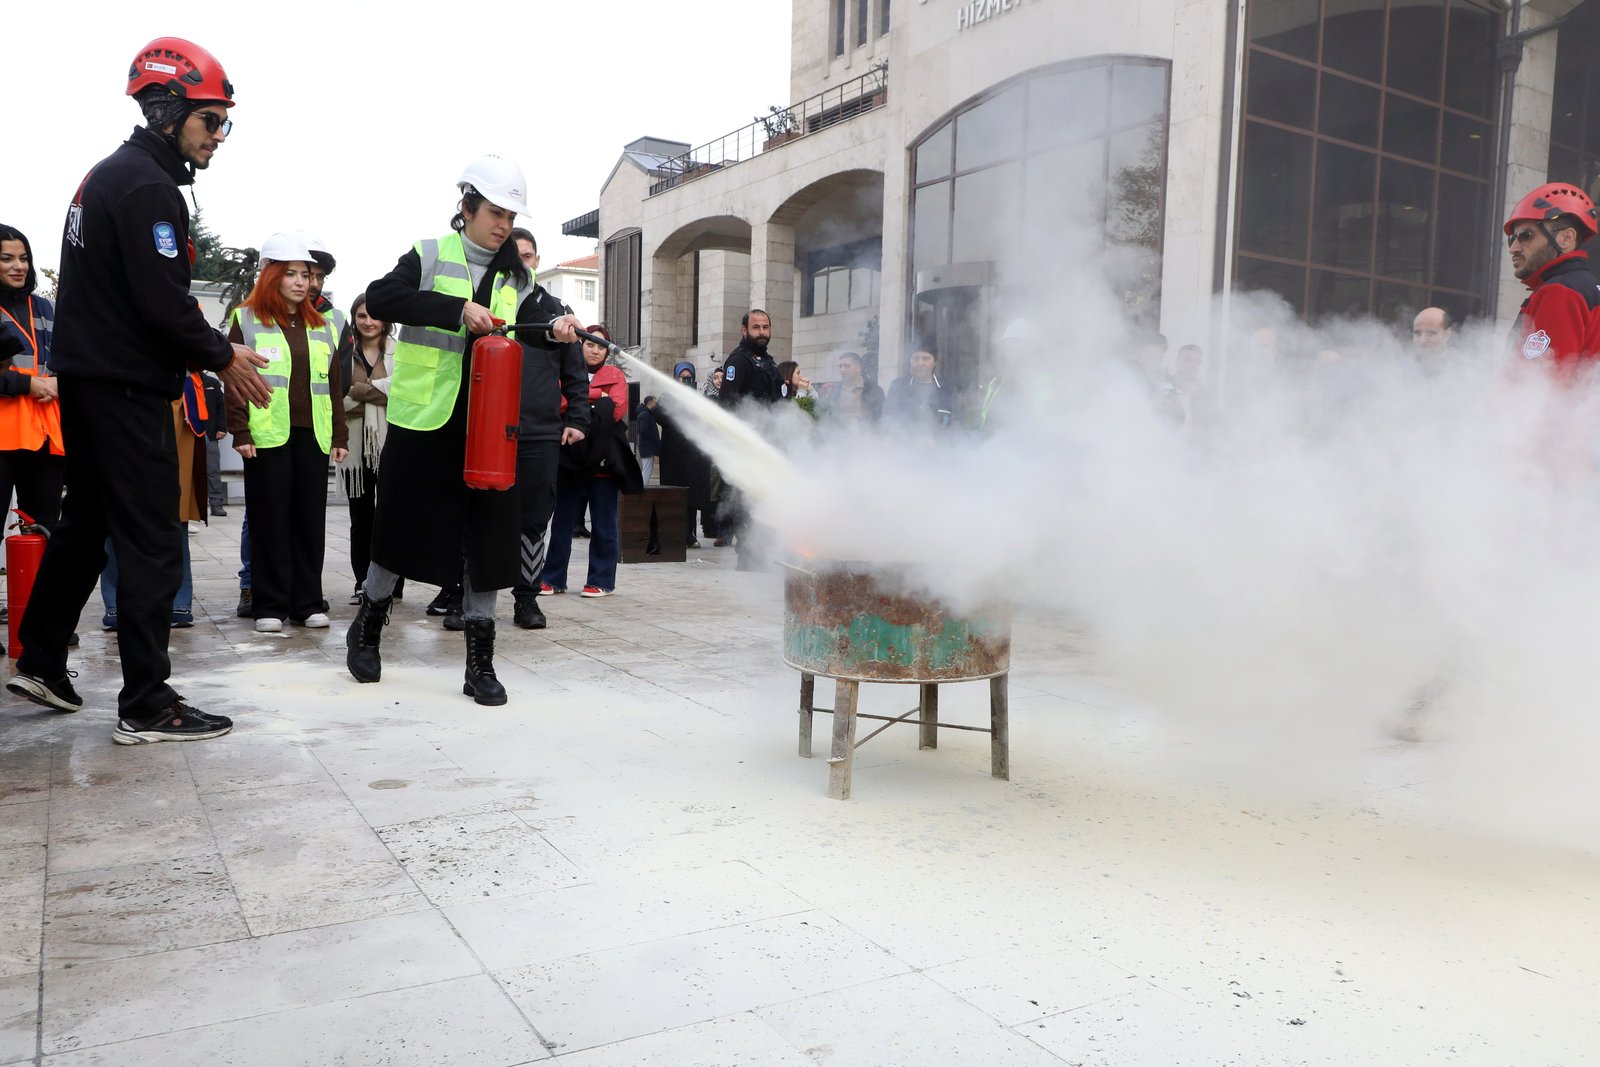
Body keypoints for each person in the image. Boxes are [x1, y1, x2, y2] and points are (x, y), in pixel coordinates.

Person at [7, 37, 271, 744]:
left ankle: (40, 659)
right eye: (211, 120)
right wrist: (223, 355)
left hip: (89, 383)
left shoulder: (105, 176)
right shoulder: (150, 186)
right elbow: (160, 303)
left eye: (223, 123)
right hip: (125, 389)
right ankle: (147, 701)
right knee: (154, 538)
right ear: (167, 110)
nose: (219, 136)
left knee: (87, 524)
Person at [346, 155, 584, 705]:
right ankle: (369, 627)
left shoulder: (517, 275)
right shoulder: (429, 254)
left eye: (510, 215)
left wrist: (559, 327)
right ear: (467, 207)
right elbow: (382, 297)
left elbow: (534, 323)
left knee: (489, 537)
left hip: (488, 427)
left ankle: (480, 663)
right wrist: (458, 310)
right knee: (397, 529)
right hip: (424, 418)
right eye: (494, 212)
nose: (502, 224)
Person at [226, 234, 348, 633]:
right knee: (269, 520)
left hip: (313, 433)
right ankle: (270, 606)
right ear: (272, 276)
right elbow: (233, 379)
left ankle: (307, 603)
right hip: (266, 435)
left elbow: (333, 382)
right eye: (292, 274)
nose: (302, 282)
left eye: (307, 275)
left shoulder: (323, 323)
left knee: (309, 520)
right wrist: (240, 430)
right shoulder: (246, 318)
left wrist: (340, 436)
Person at [506, 227, 589, 631]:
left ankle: (526, 598)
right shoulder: (488, 298)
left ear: (537, 260)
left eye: (529, 255)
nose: (523, 261)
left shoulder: (555, 308)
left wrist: (577, 419)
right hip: (489, 427)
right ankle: (462, 592)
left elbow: (576, 373)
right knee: (480, 512)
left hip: (539, 430)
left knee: (536, 516)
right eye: (514, 254)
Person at [541, 325, 640, 598]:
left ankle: (601, 580)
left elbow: (617, 408)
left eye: (601, 346)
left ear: (607, 352)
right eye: (590, 345)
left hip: (603, 460)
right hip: (570, 456)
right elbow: (558, 402)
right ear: (580, 346)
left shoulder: (615, 374)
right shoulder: (565, 371)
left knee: (604, 522)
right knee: (561, 521)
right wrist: (599, 397)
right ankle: (552, 578)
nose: (595, 350)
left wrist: (580, 401)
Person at [0, 224, 65, 534]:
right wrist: (28, 384)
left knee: (45, 528)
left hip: (44, 435)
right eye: (7, 258)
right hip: (4, 432)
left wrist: (60, 382)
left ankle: (39, 586)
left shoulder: (47, 308)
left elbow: (75, 361)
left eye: (24, 258)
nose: (18, 266)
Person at [1504, 182, 1600, 378]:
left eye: (1525, 235)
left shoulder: (1560, 291)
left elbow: (1540, 388)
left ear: (1566, 238)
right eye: (1512, 238)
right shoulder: (1584, 288)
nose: (1513, 248)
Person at [337, 292, 395, 605]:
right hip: (354, 445)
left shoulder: (398, 351)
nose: (368, 321)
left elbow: (402, 391)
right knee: (361, 519)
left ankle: (390, 585)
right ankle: (363, 582)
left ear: (385, 319)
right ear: (354, 319)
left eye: (374, 315)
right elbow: (338, 394)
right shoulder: (344, 351)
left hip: (391, 444)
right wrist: (378, 391)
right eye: (361, 315)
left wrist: (359, 391)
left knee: (391, 517)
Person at [718, 309, 782, 569]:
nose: (762, 332)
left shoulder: (768, 362)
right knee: (747, 499)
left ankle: (761, 549)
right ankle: (748, 555)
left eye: (765, 327)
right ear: (744, 330)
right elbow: (728, 402)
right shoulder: (739, 361)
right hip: (747, 443)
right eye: (756, 328)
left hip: (766, 441)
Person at [657, 362, 715, 548]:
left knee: (691, 500)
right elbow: (660, 416)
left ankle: (689, 534)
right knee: (674, 497)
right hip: (673, 457)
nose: (685, 380)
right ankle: (672, 534)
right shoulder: (668, 397)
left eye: (689, 377)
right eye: (682, 377)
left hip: (693, 458)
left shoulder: (697, 399)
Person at [882, 347, 954, 433]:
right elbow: (888, 420)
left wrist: (936, 440)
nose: (920, 363)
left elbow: (956, 424)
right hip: (903, 445)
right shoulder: (898, 386)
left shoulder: (948, 389)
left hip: (941, 445)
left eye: (926, 359)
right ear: (910, 361)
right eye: (916, 358)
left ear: (934, 362)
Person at [636, 395, 660, 485]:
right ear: (650, 402)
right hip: (647, 448)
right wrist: (654, 440)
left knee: (647, 469)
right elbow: (643, 431)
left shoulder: (646, 414)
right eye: (654, 402)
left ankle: (643, 488)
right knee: (647, 470)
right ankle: (643, 489)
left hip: (647, 448)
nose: (655, 404)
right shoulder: (645, 415)